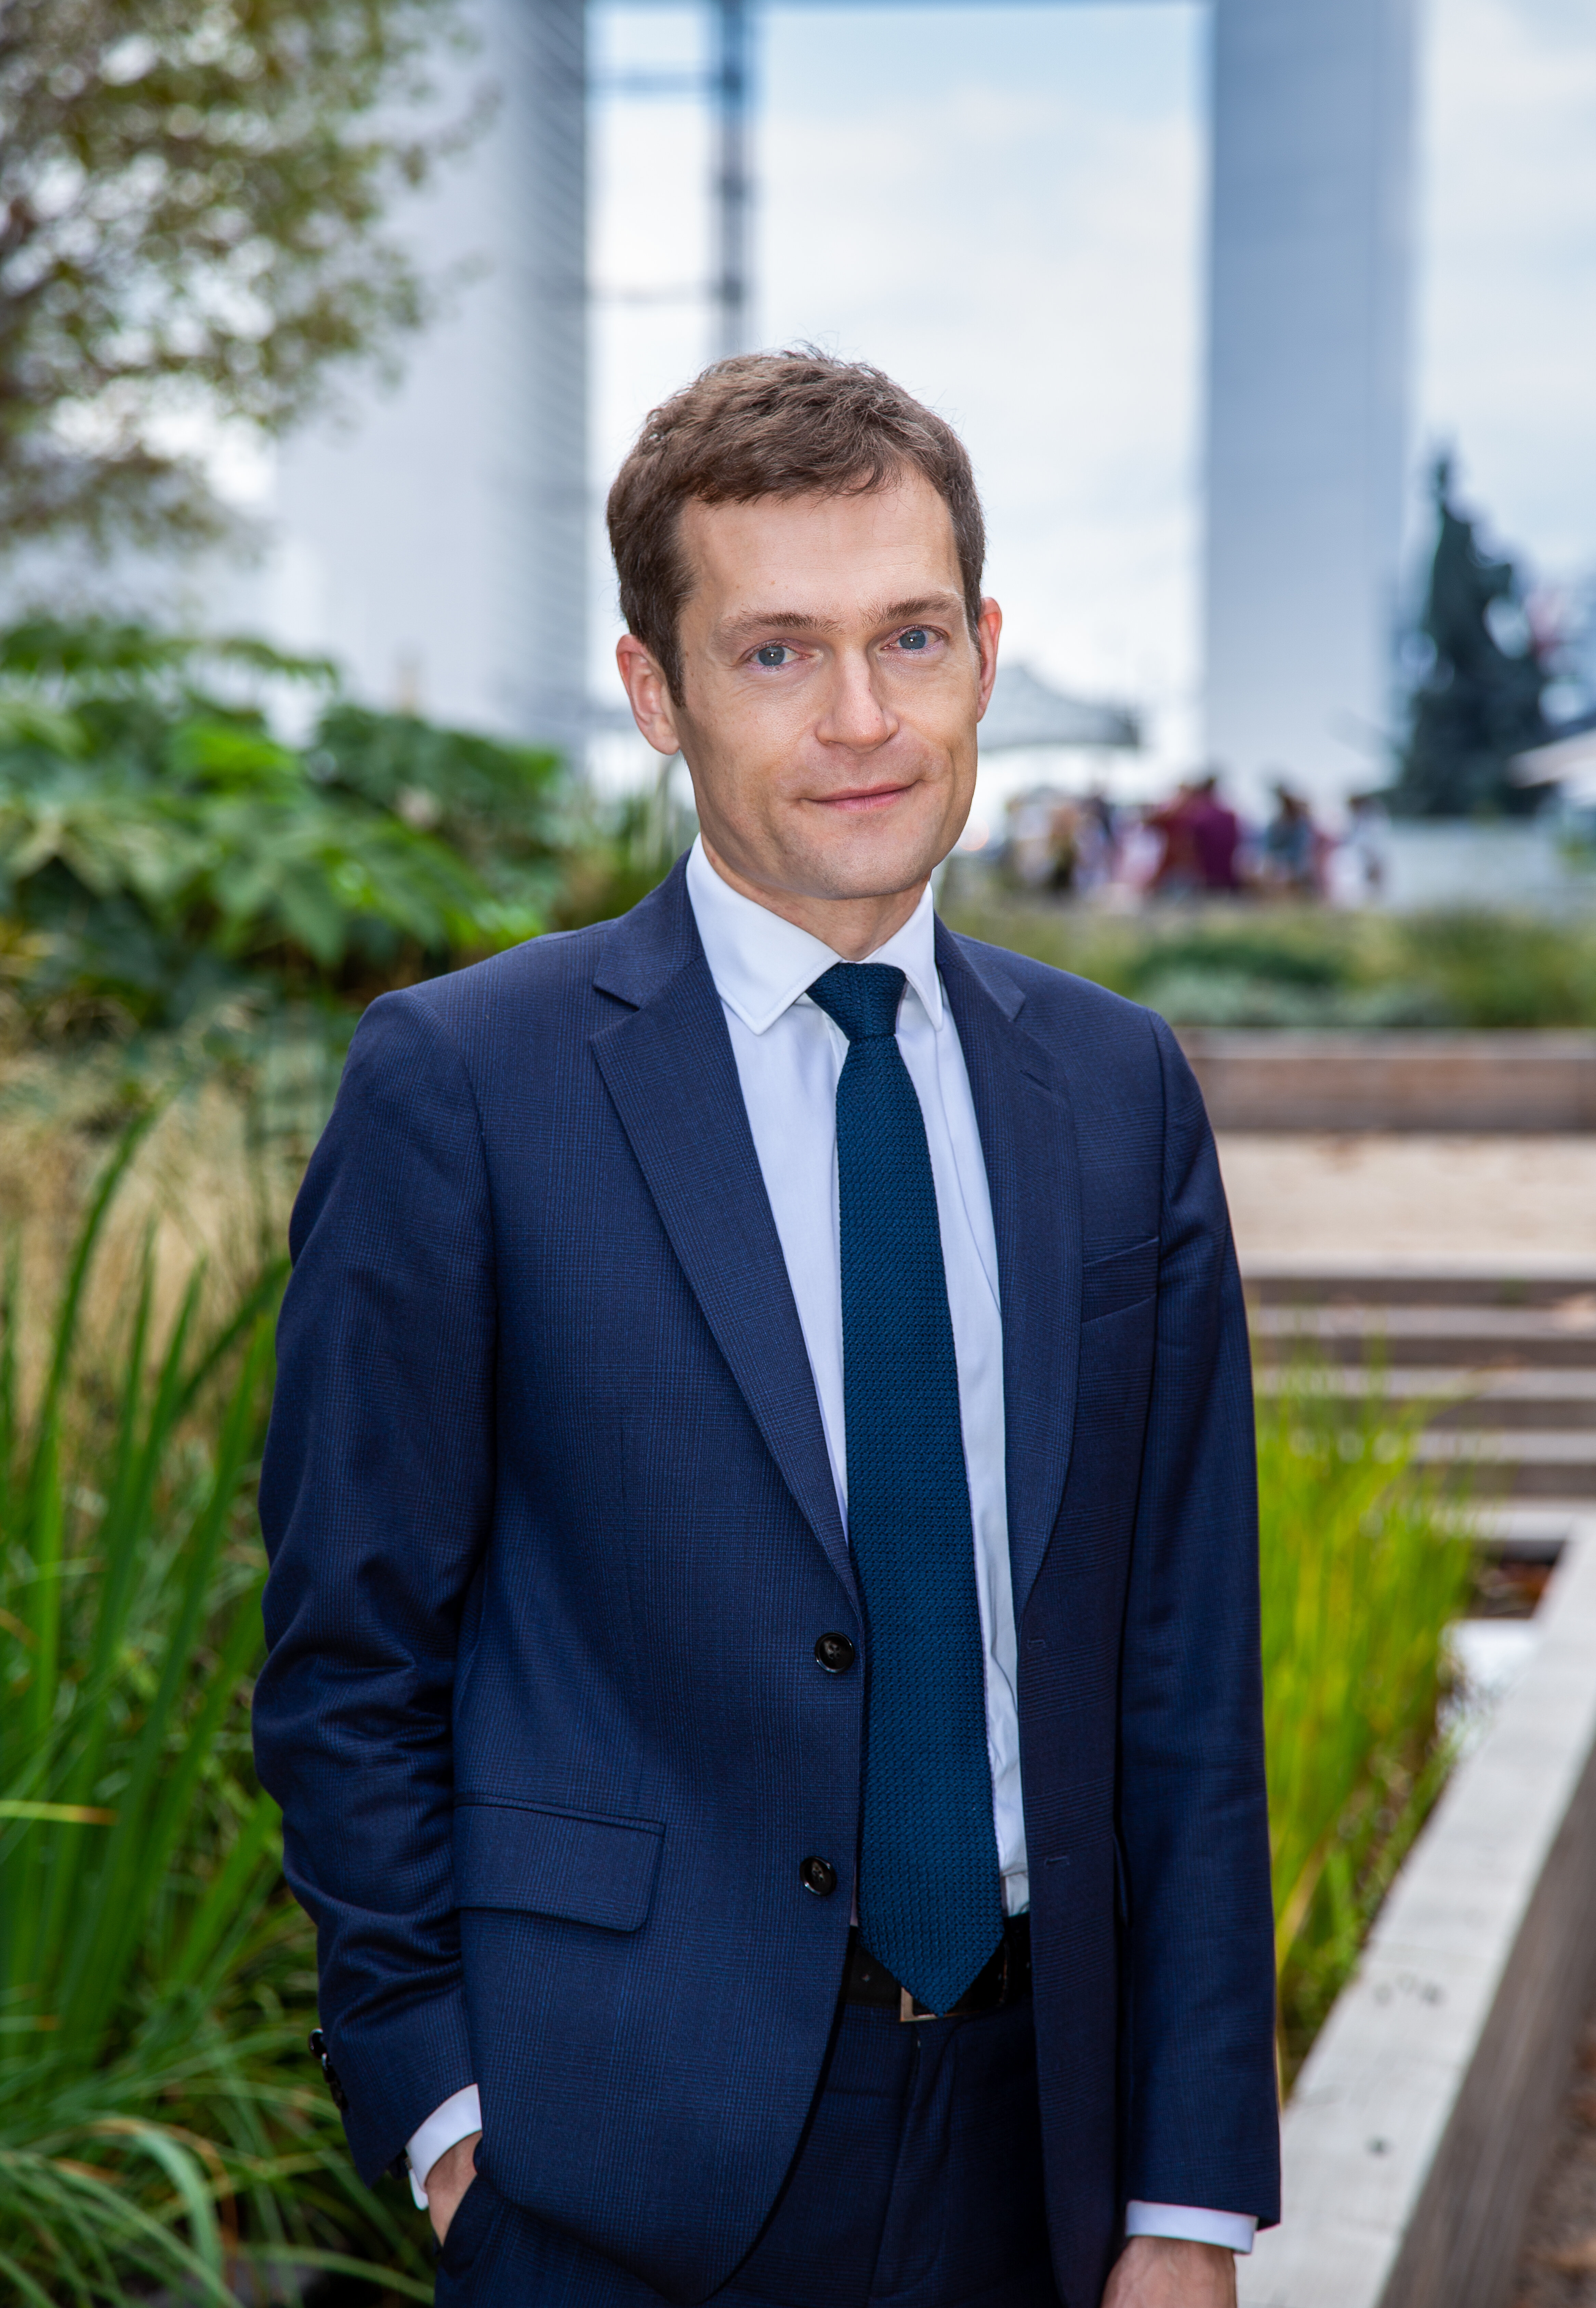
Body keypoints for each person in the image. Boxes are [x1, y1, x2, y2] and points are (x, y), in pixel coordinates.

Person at [253, 351, 1279, 2308]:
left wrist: (1192, 2195)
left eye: (909, 636)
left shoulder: (1119, 1090)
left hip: (1039, 2158)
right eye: (779, 654)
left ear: (985, 650)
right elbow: (348, 1648)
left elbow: (1183, 1675)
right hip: (603, 2160)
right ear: (660, 691)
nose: (864, 720)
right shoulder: (467, 1085)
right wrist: (449, 2114)